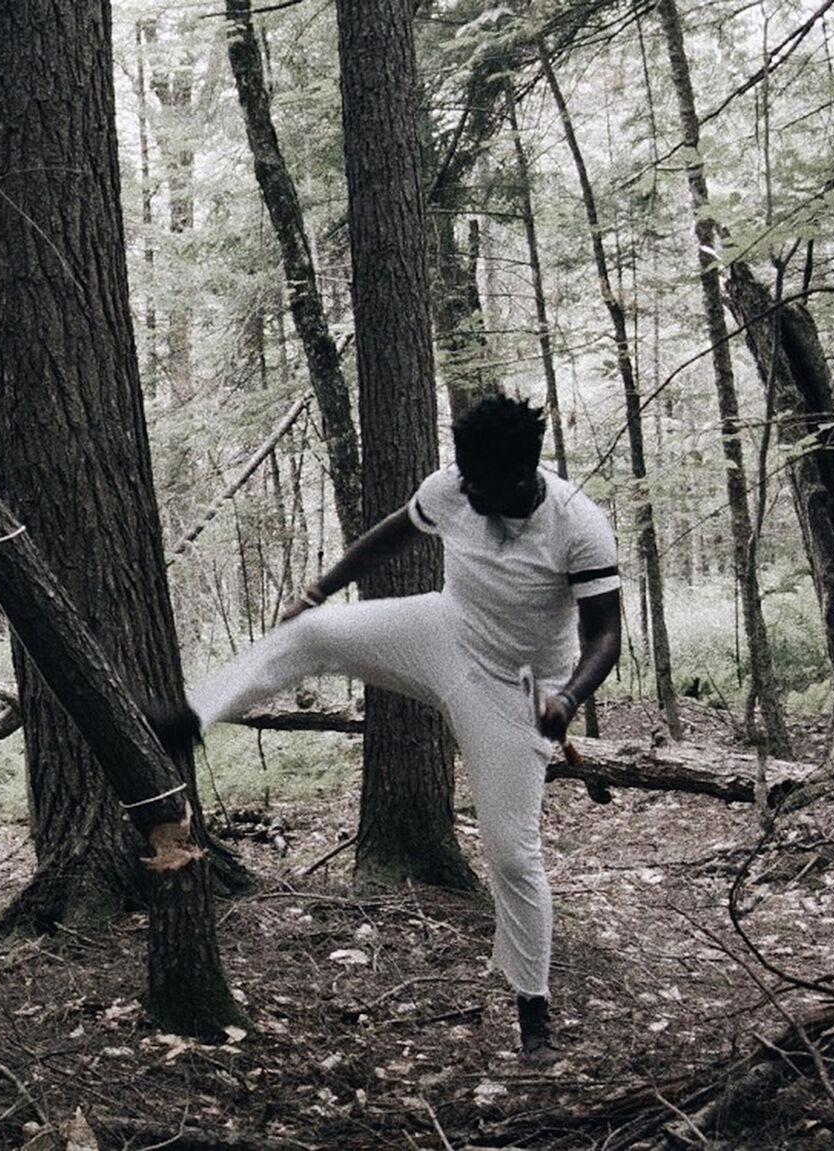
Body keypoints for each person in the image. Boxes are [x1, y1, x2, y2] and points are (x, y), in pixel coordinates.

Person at [151, 392, 622, 1066]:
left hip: (518, 688)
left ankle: (534, 1014)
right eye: (460, 475)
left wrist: (569, 698)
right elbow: (395, 532)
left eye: (478, 480)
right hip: (445, 630)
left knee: (513, 854)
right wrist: (321, 586)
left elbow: (607, 635)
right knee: (312, 632)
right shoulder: (455, 486)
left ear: (520, 474)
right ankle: (194, 714)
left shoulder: (579, 526)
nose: (464, 488)